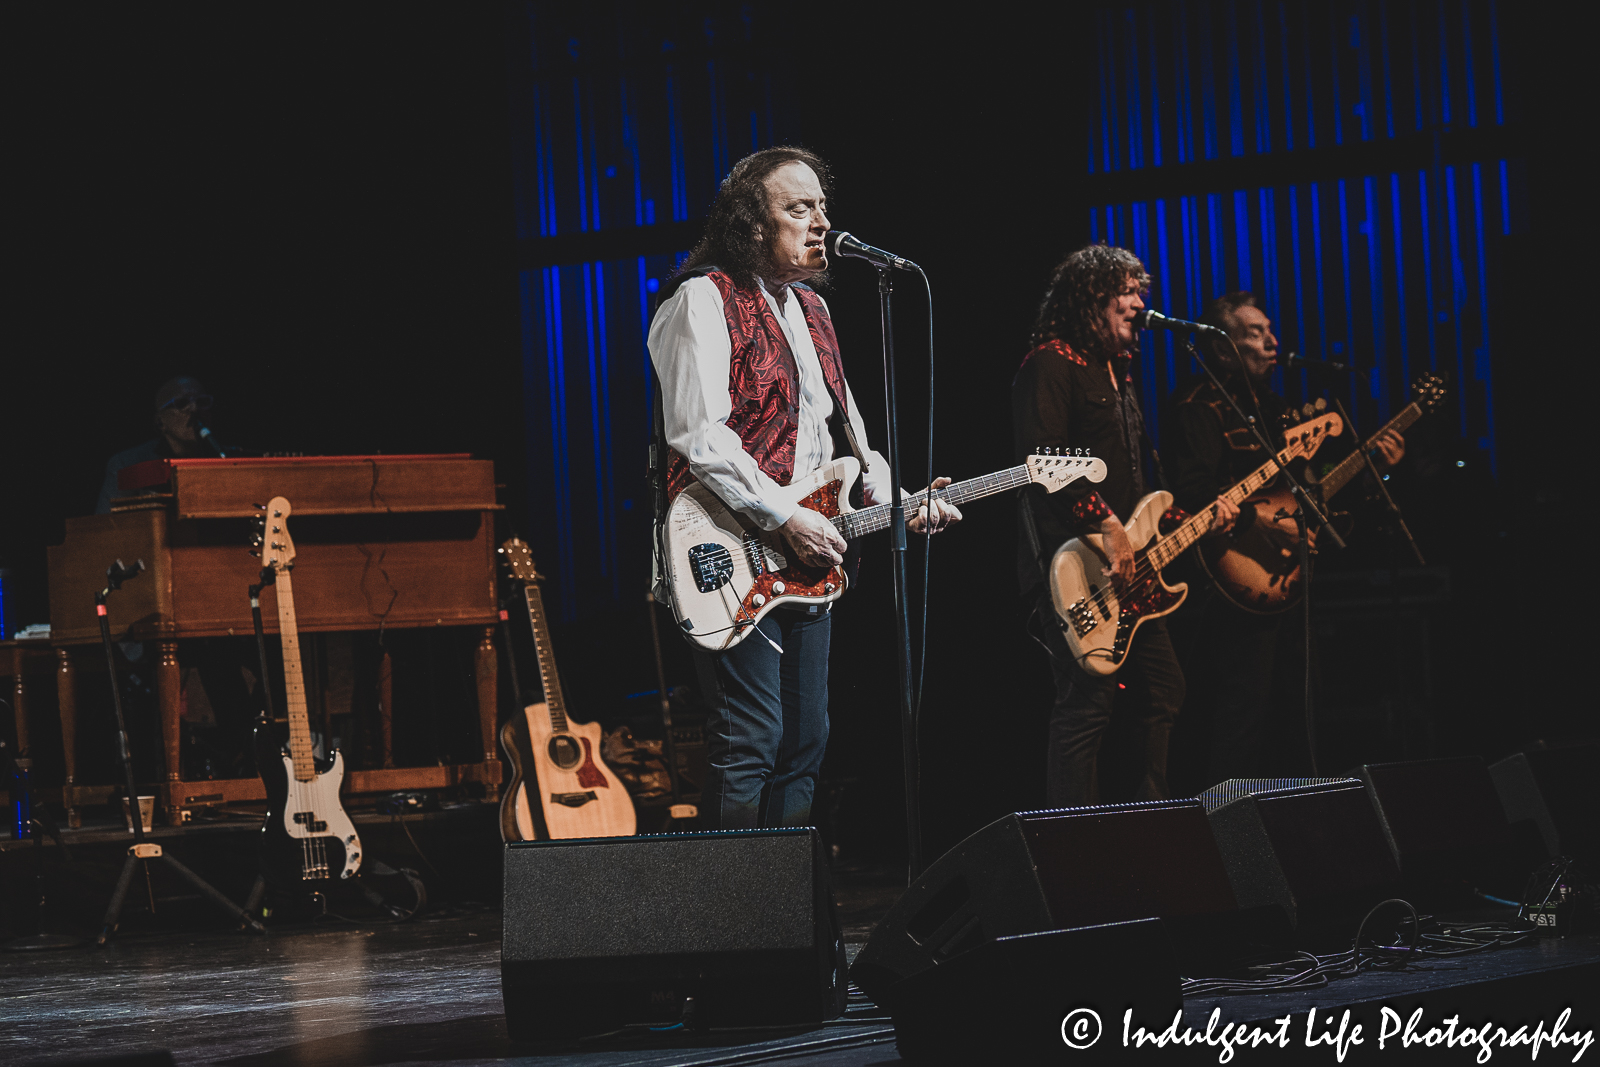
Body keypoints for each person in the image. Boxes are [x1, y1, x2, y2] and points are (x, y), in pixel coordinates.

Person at [648, 146, 960, 830]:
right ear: (752, 224)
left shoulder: (814, 310)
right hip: (728, 548)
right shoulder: (701, 298)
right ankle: (731, 921)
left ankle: (789, 915)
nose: (820, 222)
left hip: (805, 554)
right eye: (799, 208)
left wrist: (898, 501)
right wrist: (784, 514)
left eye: (822, 206)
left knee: (805, 742)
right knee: (750, 740)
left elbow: (843, 440)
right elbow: (700, 436)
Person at [1012, 244, 1237, 807]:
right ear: (1092, 299)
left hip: (1130, 569)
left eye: (1142, 292)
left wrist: (1200, 520)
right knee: (1087, 703)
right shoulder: (1050, 363)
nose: (1140, 304)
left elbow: (1144, 492)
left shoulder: (1117, 372)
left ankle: (1150, 821)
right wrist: (1108, 527)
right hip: (1072, 567)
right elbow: (1046, 464)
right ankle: (1072, 841)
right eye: (1129, 292)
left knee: (1162, 690)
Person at [1164, 291, 1403, 783]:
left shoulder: (1277, 409)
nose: (1273, 342)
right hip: (1236, 577)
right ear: (1224, 347)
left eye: (1271, 331)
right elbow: (1192, 489)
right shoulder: (1198, 405)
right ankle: (1228, 829)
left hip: (1288, 576)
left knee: (1299, 705)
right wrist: (1265, 524)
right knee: (1243, 712)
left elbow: (1308, 490)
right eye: (1256, 333)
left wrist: (1367, 466)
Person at [96, 376, 221, 513]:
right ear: (160, 422)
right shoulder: (127, 464)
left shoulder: (224, 459)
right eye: (181, 403)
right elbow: (109, 525)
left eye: (202, 402)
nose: (194, 409)